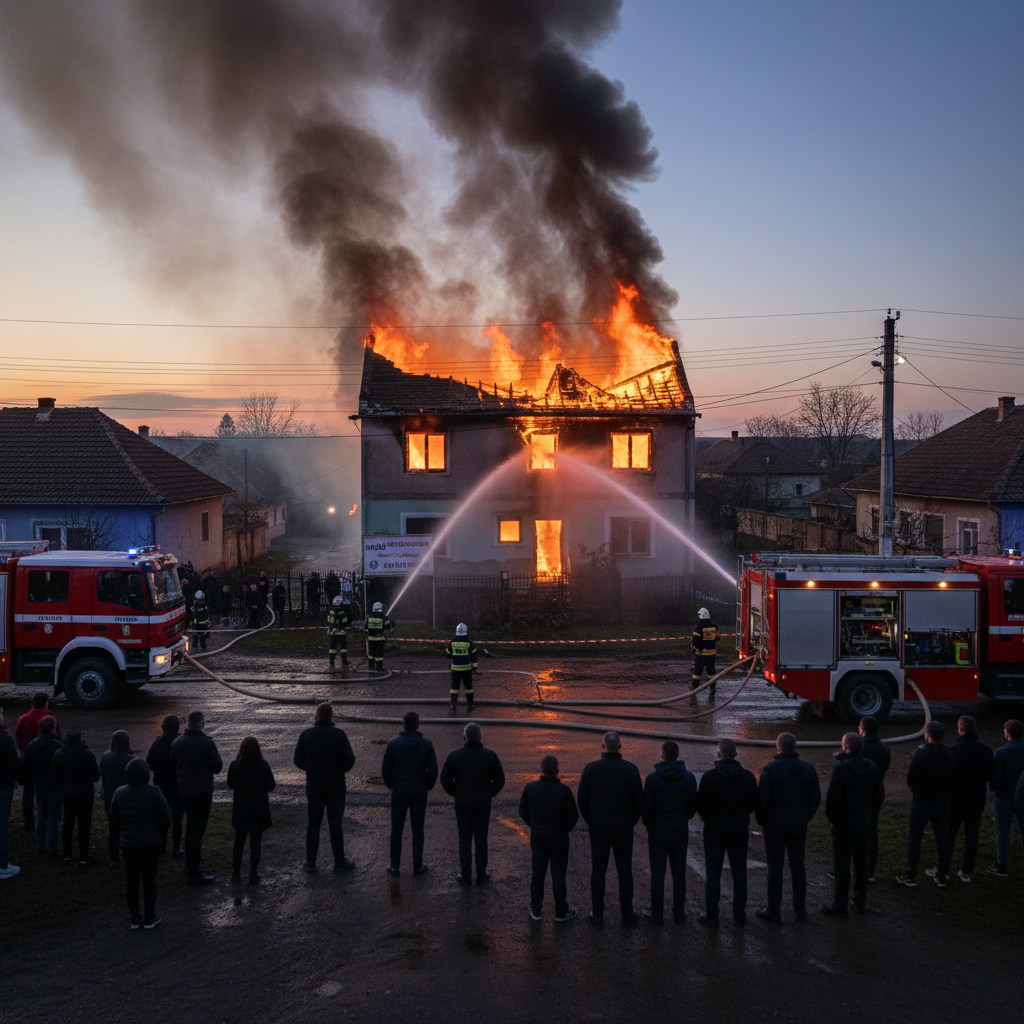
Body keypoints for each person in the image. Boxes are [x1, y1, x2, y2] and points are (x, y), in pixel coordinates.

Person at [577, 731, 643, 926]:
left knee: (598, 870)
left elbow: (582, 800)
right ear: (620, 747)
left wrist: (592, 820)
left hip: (599, 827)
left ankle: (597, 913)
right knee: (625, 871)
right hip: (623, 828)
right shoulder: (631, 769)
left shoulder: (591, 769)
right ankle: (627, 912)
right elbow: (639, 801)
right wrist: (630, 821)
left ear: (602, 746)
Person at [755, 732, 821, 923]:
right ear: (795, 747)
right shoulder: (808, 769)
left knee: (775, 868)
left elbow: (763, 800)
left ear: (778, 748)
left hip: (775, 825)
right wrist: (804, 817)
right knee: (798, 866)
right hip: (798, 824)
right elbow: (815, 798)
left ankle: (773, 910)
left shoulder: (770, 770)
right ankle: (800, 909)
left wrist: (762, 820)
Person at [695, 738, 758, 926]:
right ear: (735, 754)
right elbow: (753, 803)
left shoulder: (709, 777)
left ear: (718, 754)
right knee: (739, 872)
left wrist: (707, 817)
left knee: (713, 873)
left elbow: (701, 805)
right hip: (739, 829)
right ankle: (739, 914)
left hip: (714, 829)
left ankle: (712, 913)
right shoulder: (747, 777)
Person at [823, 732, 883, 917]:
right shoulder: (872, 767)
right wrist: (869, 812)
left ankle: (840, 904)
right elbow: (879, 795)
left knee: (842, 864)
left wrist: (833, 818)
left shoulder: (842, 769)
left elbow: (833, 798)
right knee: (861, 863)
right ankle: (859, 901)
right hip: (863, 820)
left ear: (845, 747)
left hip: (844, 822)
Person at [293, 703, 356, 873]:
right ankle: (339, 861)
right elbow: (349, 760)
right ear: (331, 715)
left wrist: (310, 768)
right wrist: (339, 769)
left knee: (313, 824)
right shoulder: (339, 735)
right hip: (335, 785)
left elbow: (297, 760)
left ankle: (311, 863)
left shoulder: (306, 734)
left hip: (314, 784)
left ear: (316, 716)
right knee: (335, 824)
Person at [440, 722, 505, 884]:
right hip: (482, 802)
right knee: (481, 838)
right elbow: (500, 779)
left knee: (464, 839)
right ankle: (481, 873)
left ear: (465, 737)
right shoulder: (490, 755)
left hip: (463, 802)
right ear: (480, 737)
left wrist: (456, 793)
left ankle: (465, 874)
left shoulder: (455, 755)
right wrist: (490, 793)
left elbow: (445, 779)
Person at [110, 758, 171, 929]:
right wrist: (159, 832)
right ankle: (150, 916)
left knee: (132, 879)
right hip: (151, 842)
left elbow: (114, 821)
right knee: (150, 879)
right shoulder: (154, 792)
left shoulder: (119, 793)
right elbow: (166, 818)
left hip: (129, 843)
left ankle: (135, 918)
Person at [642, 740, 697, 925]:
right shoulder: (689, 778)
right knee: (679, 873)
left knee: (658, 873)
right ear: (677, 755)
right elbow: (691, 808)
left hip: (658, 830)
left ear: (662, 755)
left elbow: (647, 808)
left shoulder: (652, 779)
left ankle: (657, 913)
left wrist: (649, 823)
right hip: (679, 829)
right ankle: (679, 913)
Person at [897, 720, 957, 888]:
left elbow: (911, 779)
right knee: (942, 838)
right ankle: (942, 874)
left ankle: (911, 874)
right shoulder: (950, 754)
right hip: (941, 802)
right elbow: (954, 779)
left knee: (916, 838)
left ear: (927, 735)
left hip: (922, 802)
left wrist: (918, 791)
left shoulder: (920, 754)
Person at [519, 755, 579, 922]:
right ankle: (560, 911)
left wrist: (534, 825)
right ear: (557, 770)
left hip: (538, 837)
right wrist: (563, 829)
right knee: (558, 875)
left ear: (541, 769)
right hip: (559, 838)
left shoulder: (530, 788)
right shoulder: (564, 791)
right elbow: (573, 816)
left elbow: (522, 811)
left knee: (537, 873)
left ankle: (536, 909)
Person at [381, 711, 437, 875]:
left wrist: (392, 785)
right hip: (419, 790)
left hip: (399, 790)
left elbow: (385, 770)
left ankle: (394, 865)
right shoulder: (427, 744)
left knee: (396, 829)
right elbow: (433, 770)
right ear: (417, 725)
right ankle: (417, 864)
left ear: (403, 725)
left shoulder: (393, 744)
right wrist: (426, 786)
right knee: (418, 829)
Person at [170, 710, 223, 884]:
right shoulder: (207, 744)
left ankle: (189, 865)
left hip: (184, 790)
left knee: (190, 828)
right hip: (201, 791)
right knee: (196, 831)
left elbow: (173, 762)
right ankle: (194, 872)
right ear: (201, 725)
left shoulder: (177, 742)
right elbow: (217, 766)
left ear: (188, 724)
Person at [947, 716, 993, 883]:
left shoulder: (954, 751)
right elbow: (990, 775)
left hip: (957, 799)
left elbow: (949, 776)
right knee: (972, 836)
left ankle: (943, 868)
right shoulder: (986, 751)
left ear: (960, 730)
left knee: (949, 834)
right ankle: (967, 871)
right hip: (977, 799)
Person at [227, 736, 276, 884]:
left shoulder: (235, 765)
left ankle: (236, 874)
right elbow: (271, 786)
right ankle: (253, 874)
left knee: (239, 841)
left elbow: (230, 784)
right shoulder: (263, 765)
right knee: (255, 841)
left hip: (241, 807)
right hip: (258, 807)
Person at [52, 727, 101, 866]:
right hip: (85, 794)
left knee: (68, 823)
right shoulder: (87, 754)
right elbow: (95, 776)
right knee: (84, 826)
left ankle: (67, 855)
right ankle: (83, 857)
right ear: (80, 739)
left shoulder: (59, 754)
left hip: (68, 793)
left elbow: (56, 775)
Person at [15, 692, 62, 832]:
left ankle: (28, 820)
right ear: (45, 703)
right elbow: (59, 739)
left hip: (28, 759)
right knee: (48, 792)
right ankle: (49, 820)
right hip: (47, 762)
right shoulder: (51, 720)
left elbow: (18, 738)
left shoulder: (24, 719)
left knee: (28, 792)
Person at [988, 719, 1024, 878]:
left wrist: (993, 788)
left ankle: (1002, 865)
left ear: (1007, 733)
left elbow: (996, 777)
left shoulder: (1001, 752)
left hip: (1004, 796)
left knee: (1003, 830)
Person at [858, 716, 891, 881]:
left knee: (853, 832)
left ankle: (852, 868)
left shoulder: (859, 749)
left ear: (862, 730)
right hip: (876, 793)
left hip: (858, 795)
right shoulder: (885, 749)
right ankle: (870, 870)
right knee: (872, 832)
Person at [146, 716, 183, 858]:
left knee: (161, 816)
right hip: (177, 784)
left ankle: (162, 847)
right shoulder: (180, 743)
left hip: (161, 784)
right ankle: (176, 848)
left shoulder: (157, 743)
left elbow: (150, 763)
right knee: (177, 818)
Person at [25, 716, 62, 856]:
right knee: (54, 818)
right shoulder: (56, 746)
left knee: (41, 816)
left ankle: (41, 846)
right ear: (53, 728)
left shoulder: (31, 746)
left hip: (39, 785)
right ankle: (53, 848)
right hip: (54, 785)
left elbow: (28, 767)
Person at [100, 730, 134, 865]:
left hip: (110, 796)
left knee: (113, 827)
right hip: (127, 797)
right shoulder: (131, 760)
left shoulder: (105, 757)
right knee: (128, 826)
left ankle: (113, 858)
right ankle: (129, 855)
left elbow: (104, 777)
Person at [0, 707, 23, 879]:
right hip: (2, 786)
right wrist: (21, 778)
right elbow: (14, 764)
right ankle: (2, 865)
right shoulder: (4, 740)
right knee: (2, 824)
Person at [445, 622, 478, 710]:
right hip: (467, 669)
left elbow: (447, 653)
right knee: (468, 688)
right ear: (466, 631)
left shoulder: (452, 642)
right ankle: (470, 705)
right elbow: (474, 656)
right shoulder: (469, 643)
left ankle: (453, 705)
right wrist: (474, 667)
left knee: (454, 688)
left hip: (455, 669)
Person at [691, 606, 719, 693]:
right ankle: (713, 688)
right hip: (712, 653)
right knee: (711, 672)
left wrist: (694, 648)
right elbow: (717, 638)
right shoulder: (714, 626)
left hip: (701, 654)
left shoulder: (699, 626)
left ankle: (694, 689)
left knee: (697, 672)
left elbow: (695, 640)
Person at [366, 601, 395, 673]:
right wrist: (391, 623)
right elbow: (387, 627)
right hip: (380, 639)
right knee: (379, 655)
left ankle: (371, 667)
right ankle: (379, 668)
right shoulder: (383, 617)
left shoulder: (369, 616)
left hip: (371, 639)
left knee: (371, 654)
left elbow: (366, 627)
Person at [327, 596, 350, 669]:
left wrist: (331, 628)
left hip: (333, 633)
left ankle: (331, 662)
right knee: (343, 648)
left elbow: (329, 621)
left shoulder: (331, 612)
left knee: (332, 648)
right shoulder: (343, 612)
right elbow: (346, 621)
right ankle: (344, 661)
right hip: (341, 633)